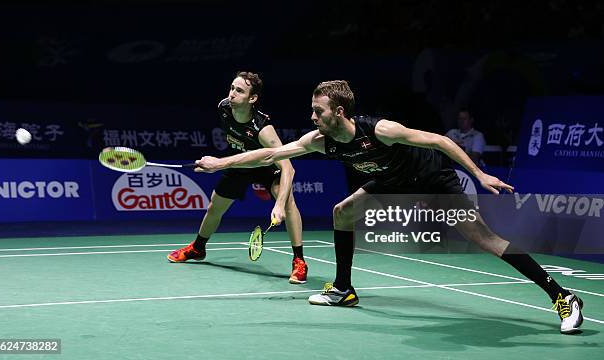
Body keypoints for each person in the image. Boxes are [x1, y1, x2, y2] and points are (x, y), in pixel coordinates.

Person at [194, 80, 584, 334]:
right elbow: (270, 154)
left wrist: (480, 176)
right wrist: (220, 162)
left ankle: (561, 296)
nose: (312, 117)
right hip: (391, 180)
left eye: (319, 111)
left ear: (339, 112)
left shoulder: (380, 130)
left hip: (430, 179)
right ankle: (344, 288)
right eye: (312, 111)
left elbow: (439, 142)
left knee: (483, 237)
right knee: (342, 211)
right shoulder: (319, 139)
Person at [167, 71, 308, 284]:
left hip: (267, 167)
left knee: (288, 202)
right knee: (215, 206)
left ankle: (299, 261)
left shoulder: (263, 129)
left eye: (239, 91)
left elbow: (288, 168)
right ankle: (198, 248)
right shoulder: (224, 108)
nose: (232, 94)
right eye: (232, 88)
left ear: (252, 99)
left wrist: (278, 205)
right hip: (241, 164)